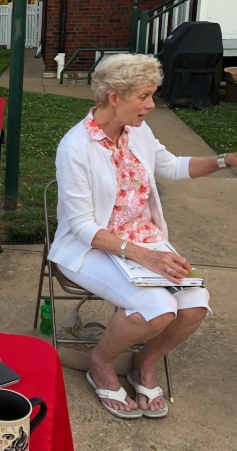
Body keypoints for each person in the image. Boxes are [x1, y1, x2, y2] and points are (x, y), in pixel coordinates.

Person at [52, 53, 235, 419]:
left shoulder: (138, 131)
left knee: (195, 305)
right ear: (114, 97)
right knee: (157, 309)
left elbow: (173, 166)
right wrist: (144, 255)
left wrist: (224, 160)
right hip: (90, 248)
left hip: (145, 243)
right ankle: (102, 362)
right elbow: (82, 226)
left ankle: (145, 362)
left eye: (152, 95)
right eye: (144, 96)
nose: (152, 104)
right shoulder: (75, 147)